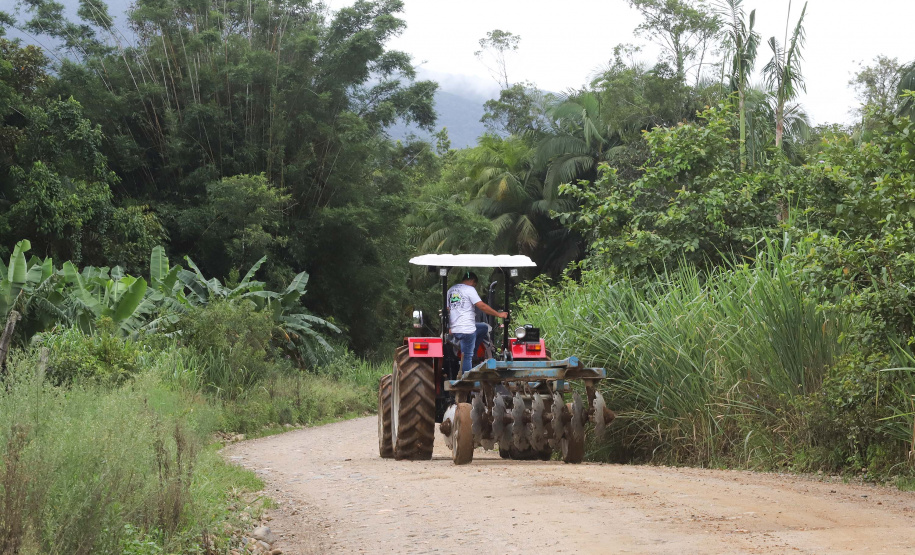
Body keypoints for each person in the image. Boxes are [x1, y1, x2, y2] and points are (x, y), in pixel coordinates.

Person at [447, 271, 508, 376]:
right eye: (475, 285)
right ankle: (467, 380)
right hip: (467, 329)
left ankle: (473, 353)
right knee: (467, 356)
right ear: (472, 281)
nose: (474, 287)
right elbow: (482, 306)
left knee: (483, 327)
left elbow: (448, 309)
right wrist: (499, 315)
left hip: (455, 329)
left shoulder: (451, 290)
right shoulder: (469, 289)